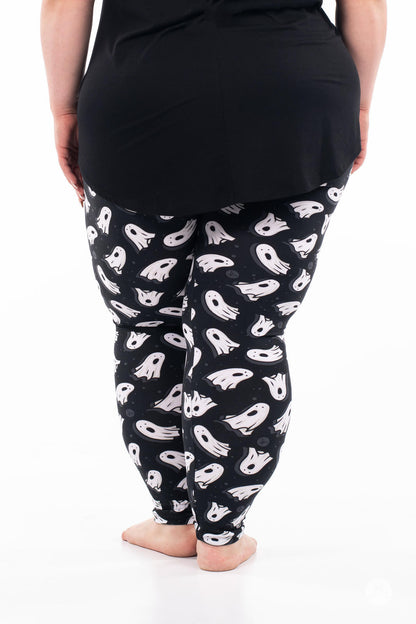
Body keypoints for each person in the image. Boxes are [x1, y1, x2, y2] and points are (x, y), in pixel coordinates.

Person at [40, 0, 387, 572]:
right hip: (295, 99)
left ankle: (174, 519)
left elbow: (63, 4)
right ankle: (221, 536)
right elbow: (366, 5)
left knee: (149, 325)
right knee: (246, 335)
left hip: (138, 103)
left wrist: (63, 109)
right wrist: (362, 104)